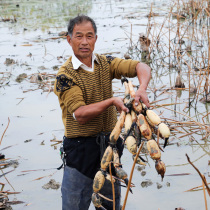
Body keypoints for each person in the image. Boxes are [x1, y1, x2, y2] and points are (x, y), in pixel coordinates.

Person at [54, 15, 151, 210]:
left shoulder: (105, 63)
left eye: (89, 36)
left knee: (110, 205)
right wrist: (111, 101)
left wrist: (142, 88)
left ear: (95, 39)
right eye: (79, 36)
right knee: (73, 206)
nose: (84, 42)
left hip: (110, 145)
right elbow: (80, 114)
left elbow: (141, 66)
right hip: (80, 150)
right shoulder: (65, 75)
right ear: (69, 39)